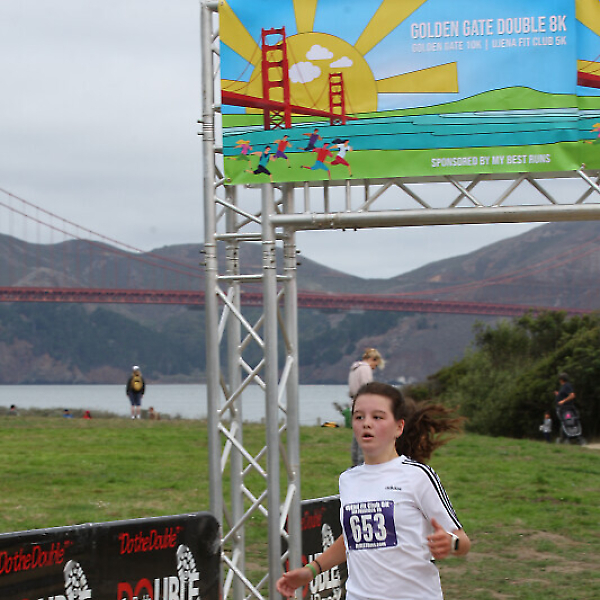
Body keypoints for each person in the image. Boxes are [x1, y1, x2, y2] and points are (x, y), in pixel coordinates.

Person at [276, 381, 471, 600]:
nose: (366, 423)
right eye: (359, 417)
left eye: (377, 417)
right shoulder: (348, 479)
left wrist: (451, 543)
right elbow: (352, 537)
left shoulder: (418, 476)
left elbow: (463, 541)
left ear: (398, 427)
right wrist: (311, 570)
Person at [348, 348, 385, 466]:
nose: (374, 368)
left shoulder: (354, 369)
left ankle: (355, 462)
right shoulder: (365, 369)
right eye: (375, 364)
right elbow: (367, 388)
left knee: (357, 435)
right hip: (364, 404)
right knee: (365, 434)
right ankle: (362, 462)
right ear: (372, 359)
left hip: (355, 403)